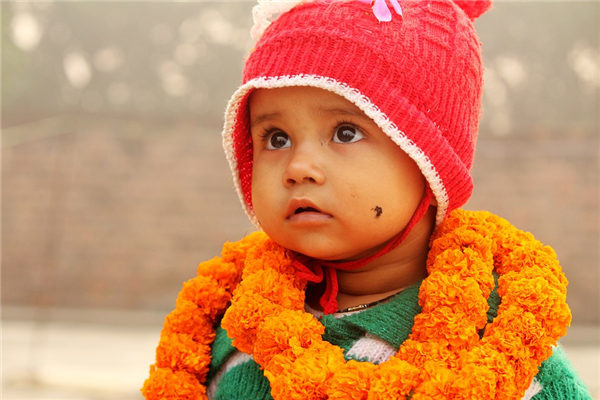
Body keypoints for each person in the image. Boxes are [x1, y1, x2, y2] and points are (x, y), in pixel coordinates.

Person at [142, 0, 592, 399]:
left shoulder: (500, 346)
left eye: (345, 132)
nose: (299, 167)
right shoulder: (229, 329)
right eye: (276, 138)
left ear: (430, 161)